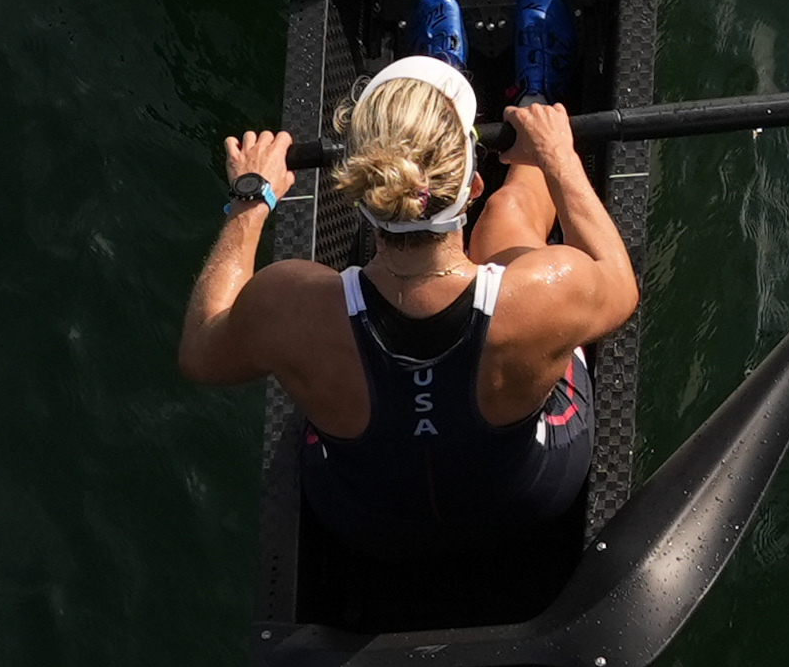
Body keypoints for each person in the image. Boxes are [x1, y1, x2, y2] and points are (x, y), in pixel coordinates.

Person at [179, 57, 635, 587]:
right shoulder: (548, 287)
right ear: (471, 186)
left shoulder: (288, 301)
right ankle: (537, 109)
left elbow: (201, 354)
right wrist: (560, 159)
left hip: (367, 524)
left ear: (359, 188)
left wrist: (251, 202)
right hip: (528, 501)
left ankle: (459, 75)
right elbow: (620, 287)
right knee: (510, 220)